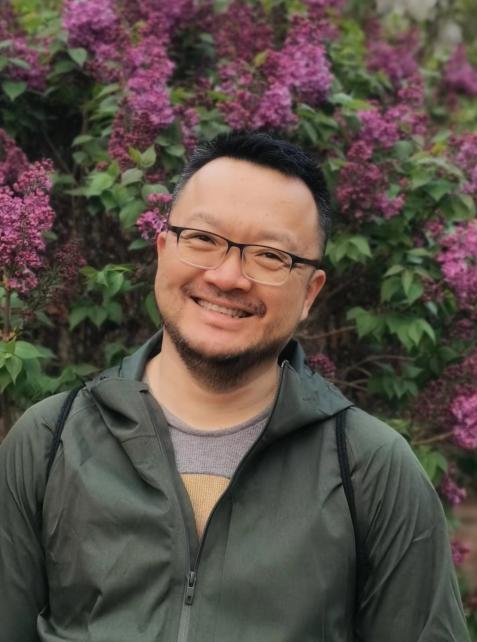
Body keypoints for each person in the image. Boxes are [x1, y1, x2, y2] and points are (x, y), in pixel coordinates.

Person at [0, 131, 469, 642]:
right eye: (203, 239)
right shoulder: (50, 443)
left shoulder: (371, 470)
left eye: (270, 256)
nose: (227, 277)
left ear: (309, 293)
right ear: (163, 250)